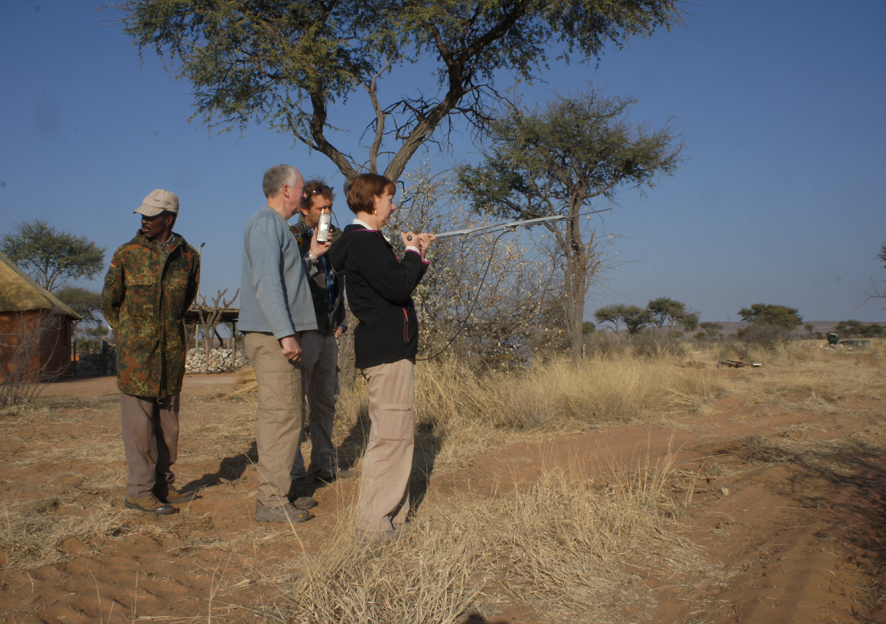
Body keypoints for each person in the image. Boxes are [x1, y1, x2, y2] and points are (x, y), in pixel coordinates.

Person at [327, 173, 435, 543]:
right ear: (373, 200)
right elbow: (398, 286)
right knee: (390, 437)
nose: (394, 205)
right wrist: (412, 253)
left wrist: (417, 255)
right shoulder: (364, 243)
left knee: (397, 435)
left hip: (391, 350)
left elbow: (395, 283)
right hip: (387, 352)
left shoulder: (369, 242)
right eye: (389, 198)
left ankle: (392, 519)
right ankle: (374, 524)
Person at [239, 164, 329, 524]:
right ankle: (272, 502)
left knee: (287, 415)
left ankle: (281, 494)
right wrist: (285, 333)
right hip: (273, 337)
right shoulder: (266, 224)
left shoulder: (277, 226)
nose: (305, 195)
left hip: (278, 334)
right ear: (287, 190)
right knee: (281, 417)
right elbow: (267, 283)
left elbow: (287, 280)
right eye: (302, 188)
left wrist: (312, 256)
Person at [102, 189, 200, 515]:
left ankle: (162, 487)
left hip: (170, 356)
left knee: (168, 428)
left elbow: (184, 302)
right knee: (139, 430)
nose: (144, 221)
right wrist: (132, 335)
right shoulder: (126, 254)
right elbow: (110, 302)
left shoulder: (189, 257)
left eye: (151, 216)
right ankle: (139, 492)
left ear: (169, 219)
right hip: (137, 359)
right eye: (143, 216)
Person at [288, 181, 350, 488]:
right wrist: (311, 253)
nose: (326, 213)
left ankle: (324, 464)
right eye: (320, 208)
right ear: (303, 209)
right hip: (304, 330)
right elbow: (287, 279)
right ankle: (293, 472)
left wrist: (341, 319)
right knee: (294, 406)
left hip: (328, 331)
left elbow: (339, 281)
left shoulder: (336, 237)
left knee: (325, 403)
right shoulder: (292, 237)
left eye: (329, 207)